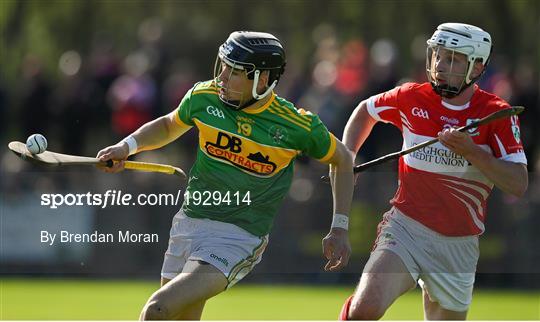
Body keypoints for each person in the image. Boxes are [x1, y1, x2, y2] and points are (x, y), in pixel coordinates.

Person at [96, 31, 354, 320]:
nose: (222, 77)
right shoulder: (204, 96)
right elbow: (170, 125)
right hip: (188, 223)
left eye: (234, 71)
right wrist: (126, 146)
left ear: (263, 80)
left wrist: (340, 227)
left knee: (158, 309)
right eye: (223, 66)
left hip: (237, 237)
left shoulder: (296, 125)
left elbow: (343, 159)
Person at [339, 23, 528, 320]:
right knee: (365, 309)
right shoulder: (411, 97)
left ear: (477, 68)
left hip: (459, 246)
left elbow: (518, 184)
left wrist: (472, 152)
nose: (440, 65)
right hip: (405, 229)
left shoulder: (495, 113)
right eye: (438, 56)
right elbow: (366, 110)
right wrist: (348, 155)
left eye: (452, 59)